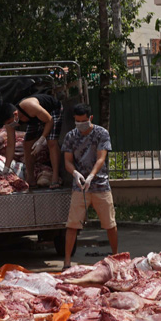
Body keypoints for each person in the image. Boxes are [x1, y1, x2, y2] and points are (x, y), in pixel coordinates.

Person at [61, 104, 118, 268]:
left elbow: (101, 158)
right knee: (72, 225)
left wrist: (91, 176)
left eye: (84, 121)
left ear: (90, 118)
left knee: (110, 224)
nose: (81, 124)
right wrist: (76, 174)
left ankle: (116, 258)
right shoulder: (70, 136)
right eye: (77, 121)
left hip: (100, 185)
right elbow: (67, 161)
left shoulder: (101, 133)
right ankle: (66, 263)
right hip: (79, 187)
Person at [17, 93, 63, 188]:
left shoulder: (30, 107)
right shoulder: (10, 122)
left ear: (15, 114)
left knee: (51, 142)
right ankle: (30, 178)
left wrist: (41, 140)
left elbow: (49, 121)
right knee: (27, 144)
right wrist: (6, 168)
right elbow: (10, 145)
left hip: (51, 112)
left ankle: (55, 177)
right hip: (37, 117)